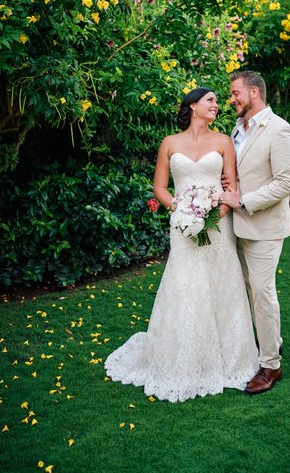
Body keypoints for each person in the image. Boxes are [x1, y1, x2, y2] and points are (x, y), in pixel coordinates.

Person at [105, 87, 259, 402]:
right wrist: (181, 211)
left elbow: (231, 186)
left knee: (221, 284)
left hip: (218, 227)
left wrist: (213, 217)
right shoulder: (169, 143)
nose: (217, 105)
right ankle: (182, 358)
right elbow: (160, 187)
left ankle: (230, 359)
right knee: (185, 285)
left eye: (217, 101)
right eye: (210, 100)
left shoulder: (223, 142)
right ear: (192, 105)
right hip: (182, 225)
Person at [220, 70, 290, 394]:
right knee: (249, 290)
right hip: (236, 225)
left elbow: (286, 182)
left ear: (254, 92)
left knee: (263, 294)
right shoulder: (237, 129)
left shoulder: (280, 130)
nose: (231, 99)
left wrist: (243, 200)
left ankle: (270, 366)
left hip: (265, 227)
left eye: (236, 93)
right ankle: (273, 342)